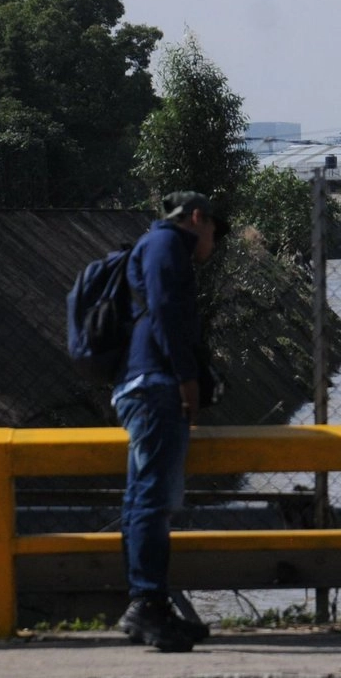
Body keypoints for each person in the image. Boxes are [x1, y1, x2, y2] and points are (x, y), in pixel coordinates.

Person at [113, 191, 229, 652]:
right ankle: (146, 604)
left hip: (148, 385)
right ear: (197, 218)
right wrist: (186, 379)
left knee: (146, 497)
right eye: (214, 234)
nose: (213, 244)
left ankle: (150, 605)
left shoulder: (159, 247)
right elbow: (166, 314)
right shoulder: (165, 246)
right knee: (152, 500)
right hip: (156, 387)